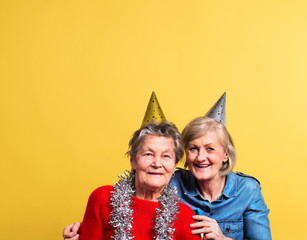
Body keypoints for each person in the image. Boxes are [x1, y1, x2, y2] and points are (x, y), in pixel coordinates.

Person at [64, 93, 271, 240]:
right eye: (193, 148)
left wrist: (222, 238)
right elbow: (136, 190)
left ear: (226, 154)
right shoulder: (171, 180)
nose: (200, 157)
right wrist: (85, 229)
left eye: (210, 149)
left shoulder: (247, 190)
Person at [75, 121, 201, 240]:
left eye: (166, 156)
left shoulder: (184, 215)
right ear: (133, 160)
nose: (157, 163)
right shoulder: (102, 199)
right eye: (148, 154)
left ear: (174, 166)